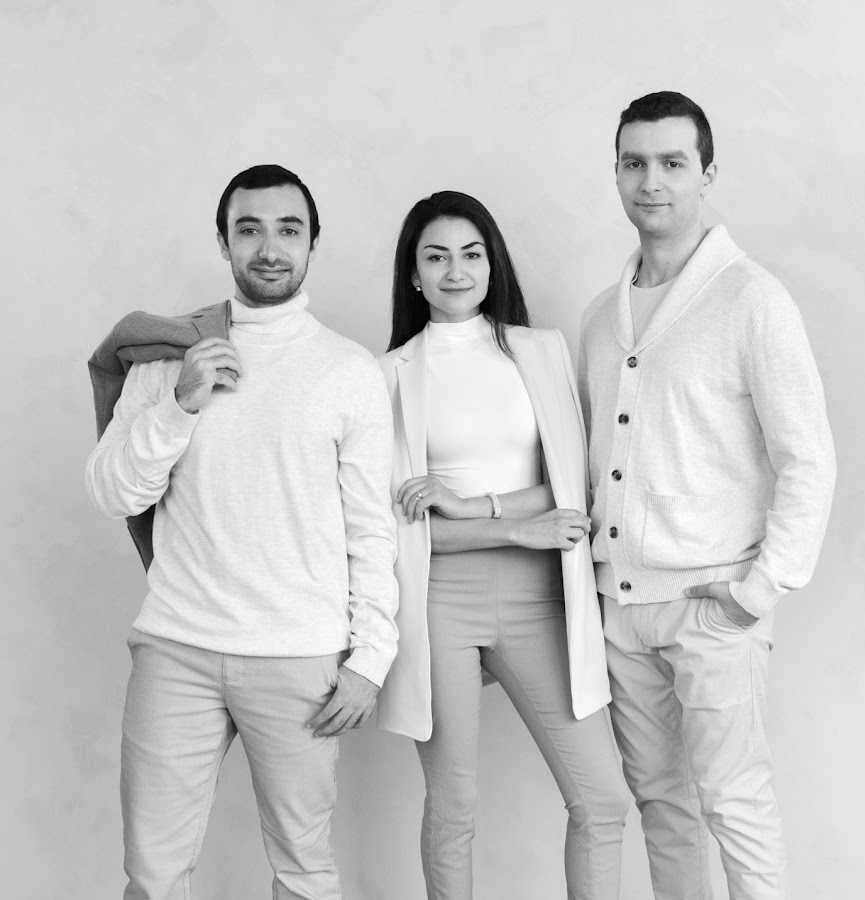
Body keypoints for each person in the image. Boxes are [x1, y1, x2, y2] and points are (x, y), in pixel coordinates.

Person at [85, 164, 398, 900]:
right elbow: (111, 492)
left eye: (288, 229)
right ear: (224, 242)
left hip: (299, 654)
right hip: (176, 646)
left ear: (313, 242)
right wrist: (180, 406)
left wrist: (372, 657)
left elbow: (371, 529)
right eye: (249, 229)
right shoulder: (170, 358)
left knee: (304, 872)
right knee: (152, 875)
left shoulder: (348, 370)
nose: (269, 247)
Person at [578, 92, 836, 899]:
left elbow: (808, 457)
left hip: (712, 604)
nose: (651, 181)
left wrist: (761, 588)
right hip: (620, 608)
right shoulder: (600, 316)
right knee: (663, 806)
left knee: (735, 802)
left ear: (707, 173)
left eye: (671, 162)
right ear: (617, 172)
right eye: (634, 163)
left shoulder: (750, 298)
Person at [377, 190, 629, 899]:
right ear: (414, 275)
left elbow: (571, 486)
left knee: (602, 799)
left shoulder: (540, 351)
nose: (456, 271)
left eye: (471, 253)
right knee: (453, 806)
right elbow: (399, 531)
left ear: (493, 263)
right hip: (438, 602)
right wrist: (513, 527)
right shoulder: (389, 374)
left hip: (539, 595)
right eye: (436, 257)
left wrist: (474, 505)